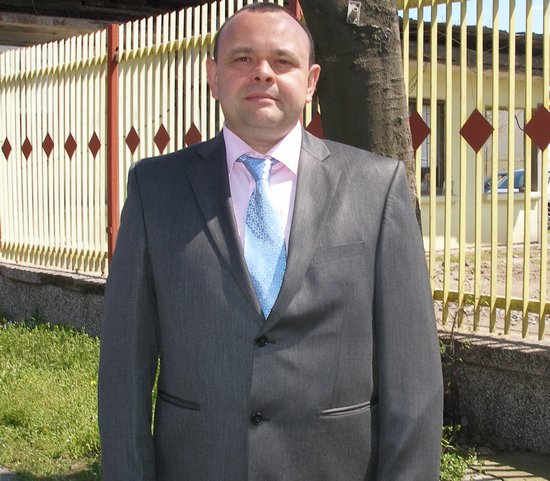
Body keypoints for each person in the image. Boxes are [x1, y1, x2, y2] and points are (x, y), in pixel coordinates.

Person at [98, 3, 443, 481]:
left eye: (283, 61)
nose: (262, 72)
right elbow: (124, 369)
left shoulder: (377, 187)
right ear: (213, 77)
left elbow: (413, 376)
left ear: (311, 81)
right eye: (242, 59)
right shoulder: (155, 189)